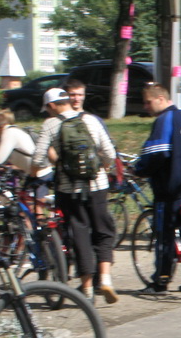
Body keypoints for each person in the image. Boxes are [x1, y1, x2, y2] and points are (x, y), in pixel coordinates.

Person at [31, 88, 119, 304]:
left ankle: (87, 289)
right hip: (97, 185)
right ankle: (105, 279)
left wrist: (44, 168)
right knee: (104, 231)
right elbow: (110, 153)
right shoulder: (91, 120)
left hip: (68, 190)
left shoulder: (50, 124)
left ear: (52, 106)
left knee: (79, 235)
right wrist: (102, 167)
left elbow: (38, 159)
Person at [133, 83, 181, 295]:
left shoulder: (164, 120)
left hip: (171, 186)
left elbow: (157, 153)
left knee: (165, 234)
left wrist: (140, 170)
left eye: (148, 102)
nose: (145, 107)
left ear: (161, 99)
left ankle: (161, 281)